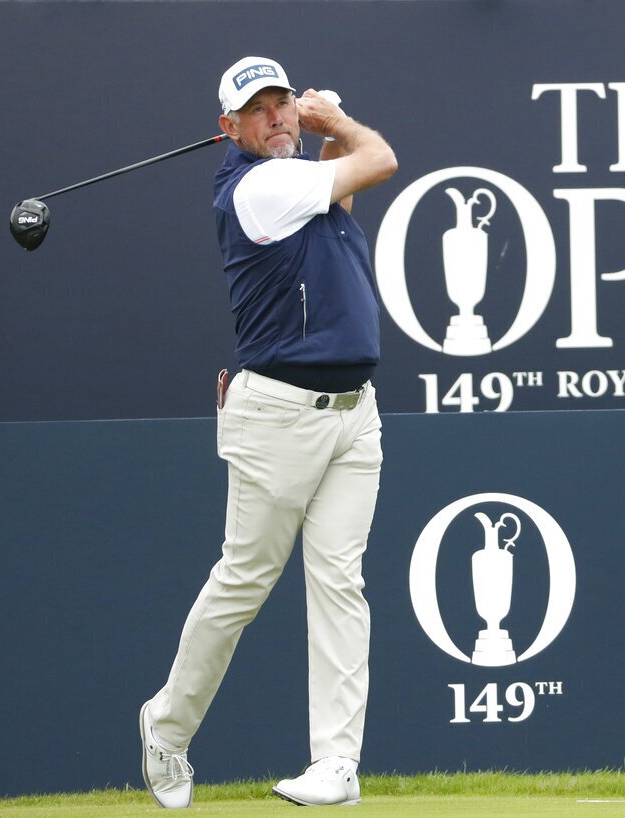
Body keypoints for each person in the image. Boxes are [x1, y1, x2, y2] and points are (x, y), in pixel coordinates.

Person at [139, 56, 397, 809]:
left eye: (284, 102)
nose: (278, 116)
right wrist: (336, 123)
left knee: (340, 585)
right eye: (260, 110)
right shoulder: (256, 189)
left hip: (355, 413)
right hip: (278, 417)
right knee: (244, 583)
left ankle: (335, 766)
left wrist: (323, 134)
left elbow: (341, 188)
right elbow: (377, 158)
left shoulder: (295, 184)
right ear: (230, 129)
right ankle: (167, 727)